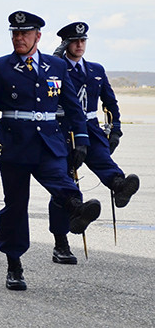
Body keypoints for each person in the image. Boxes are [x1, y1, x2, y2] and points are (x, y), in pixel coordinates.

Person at [0, 10, 103, 291]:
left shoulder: (56, 67)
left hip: (49, 142)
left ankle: (76, 209)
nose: (19, 38)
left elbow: (72, 106)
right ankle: (14, 265)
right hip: (13, 145)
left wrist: (81, 139)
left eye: (25, 33)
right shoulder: (0, 67)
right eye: (15, 33)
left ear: (38, 37)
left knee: (63, 182)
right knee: (16, 206)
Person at [46, 21, 140, 264]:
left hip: (91, 127)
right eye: (74, 41)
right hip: (62, 129)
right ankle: (62, 242)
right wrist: (53, 64)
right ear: (65, 44)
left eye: (83, 41)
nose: (79, 45)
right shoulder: (55, 68)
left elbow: (110, 102)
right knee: (64, 183)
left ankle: (120, 188)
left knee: (103, 159)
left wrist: (116, 129)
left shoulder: (96, 69)